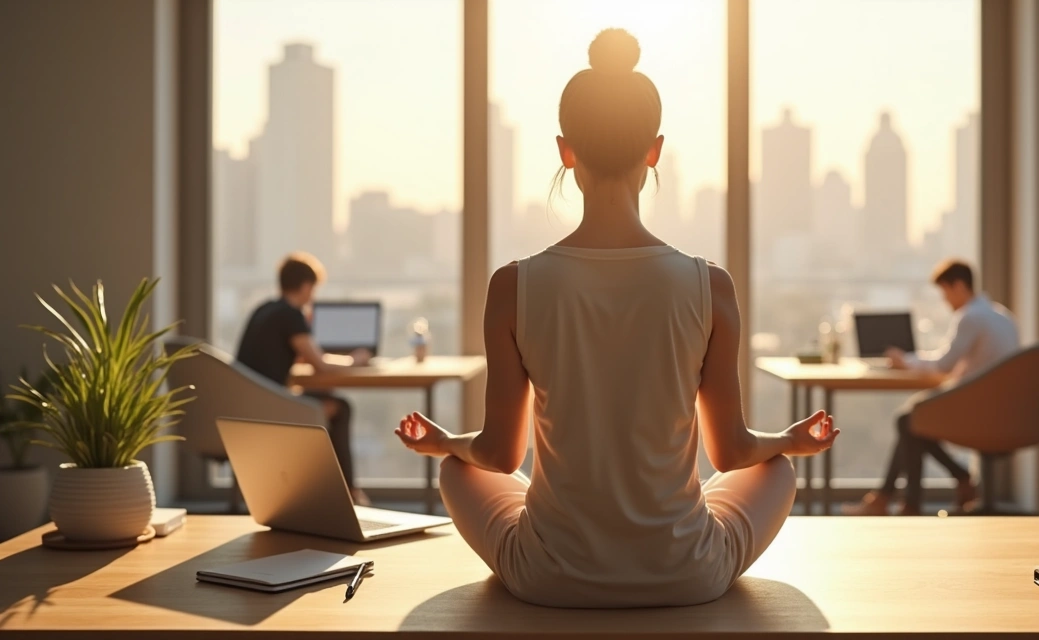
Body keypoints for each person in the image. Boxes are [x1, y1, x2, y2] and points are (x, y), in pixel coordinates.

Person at [394, 29, 838, 608]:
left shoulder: (514, 286)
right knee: (776, 470)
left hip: (547, 578)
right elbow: (730, 455)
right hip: (687, 573)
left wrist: (445, 442)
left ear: (565, 150)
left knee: (457, 470)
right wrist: (789, 440)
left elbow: (501, 457)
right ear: (654, 150)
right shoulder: (711, 286)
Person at [842, 259, 1019, 516]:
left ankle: (903, 501)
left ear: (958, 286)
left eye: (945, 292)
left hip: (981, 413)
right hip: (1009, 414)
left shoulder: (970, 317)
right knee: (913, 420)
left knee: (908, 421)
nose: (945, 301)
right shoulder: (1002, 316)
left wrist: (905, 361)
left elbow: (944, 365)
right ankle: (932, 489)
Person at [234, 252, 372, 504]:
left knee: (325, 401)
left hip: (246, 405)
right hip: (271, 409)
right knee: (340, 408)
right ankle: (349, 493)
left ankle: (327, 492)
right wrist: (356, 360)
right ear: (307, 286)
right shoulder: (290, 314)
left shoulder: (264, 309)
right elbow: (320, 364)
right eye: (314, 289)